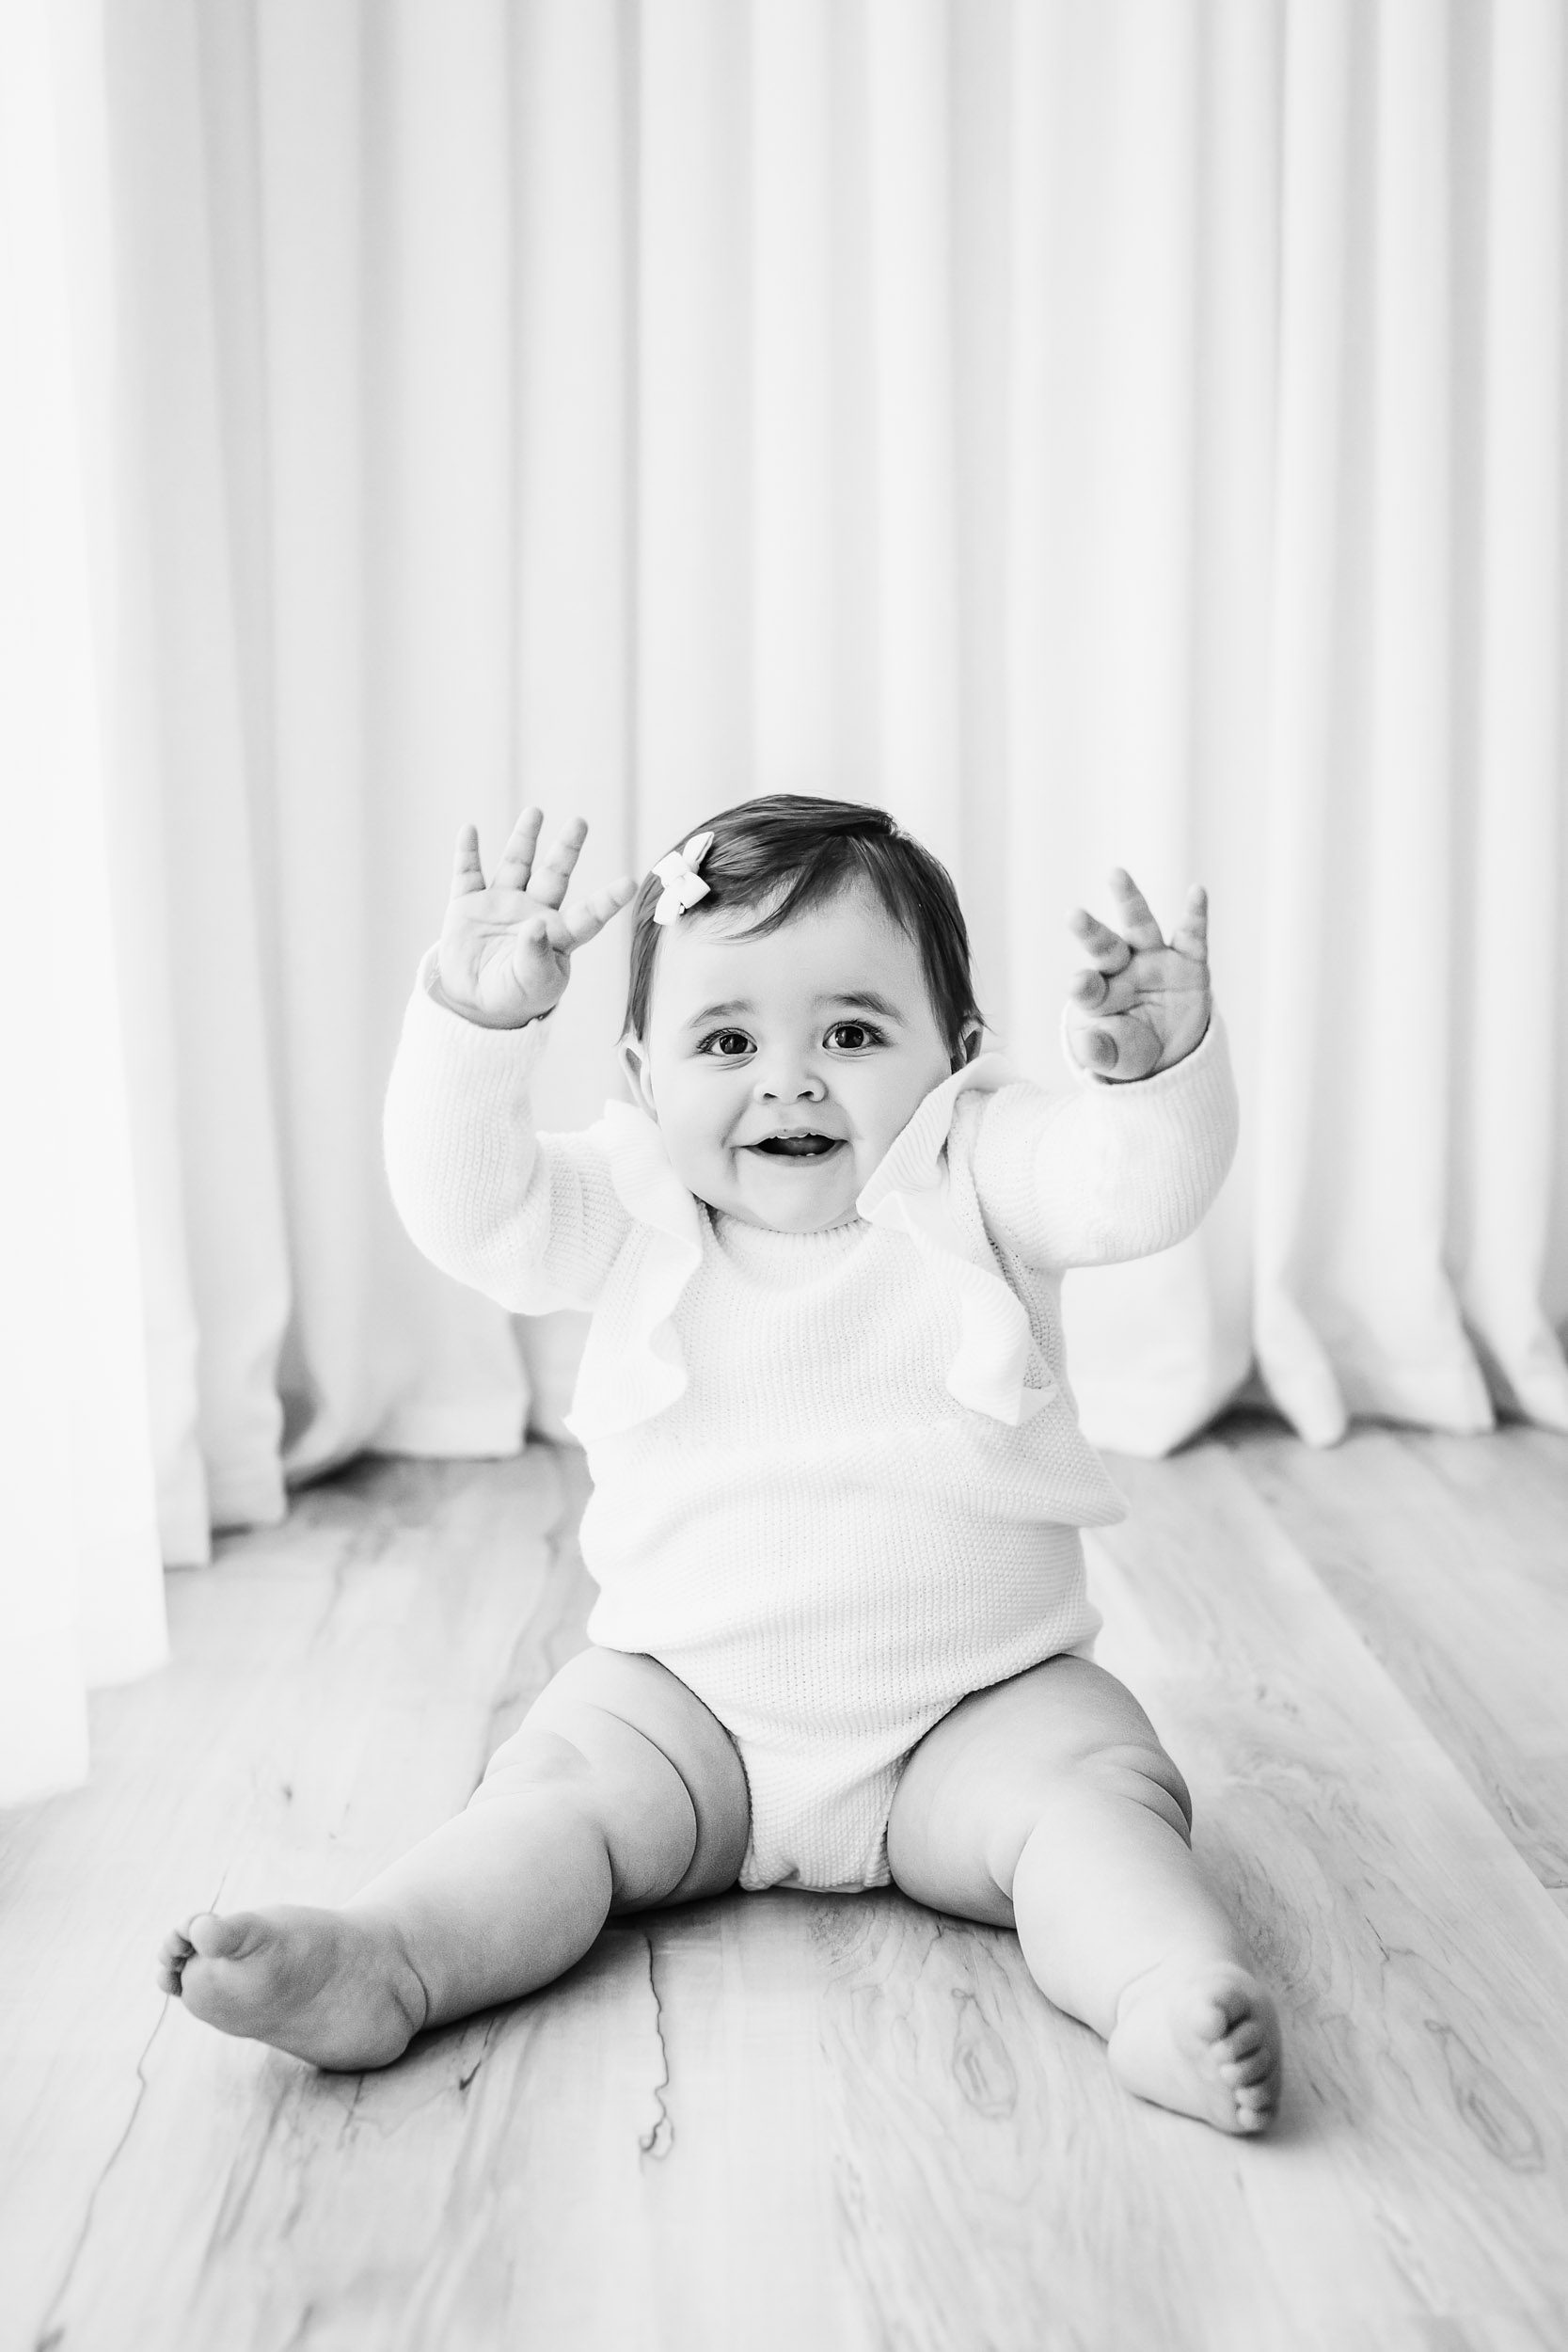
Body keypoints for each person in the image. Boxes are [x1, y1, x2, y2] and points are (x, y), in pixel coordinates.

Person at [158, 794, 1282, 2135]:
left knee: (1092, 1794)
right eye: (728, 1041)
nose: (788, 1080)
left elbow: (1132, 1190)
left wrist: (1155, 1076)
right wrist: (476, 1025)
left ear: (960, 1054)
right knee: (555, 1792)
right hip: (689, 1715)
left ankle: (1159, 1985)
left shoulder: (989, 1168)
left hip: (977, 1708)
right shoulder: (630, 1201)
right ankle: (389, 1957)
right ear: (644, 1076)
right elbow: (469, 1209)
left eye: (852, 1034)